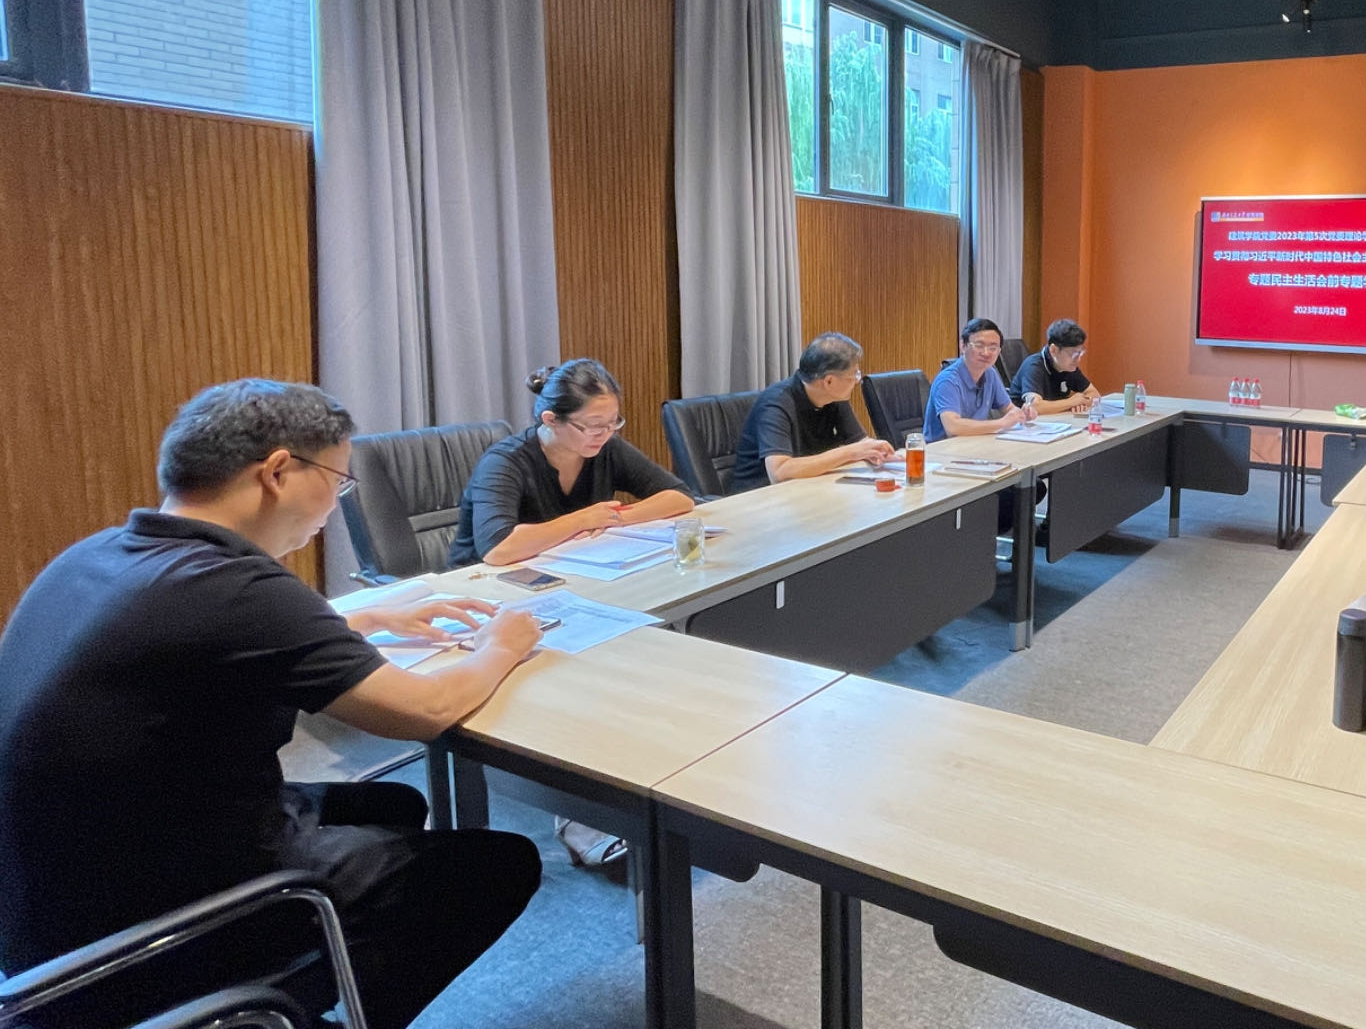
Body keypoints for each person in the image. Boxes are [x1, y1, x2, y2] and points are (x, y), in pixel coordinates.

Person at [0, 379, 543, 1029]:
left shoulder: (98, 556)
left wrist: (366, 620)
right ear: (279, 472)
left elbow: (208, 642)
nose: (335, 505)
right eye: (338, 482)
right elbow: (424, 711)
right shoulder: (239, 588)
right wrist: (503, 644)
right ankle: (278, 1014)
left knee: (393, 805)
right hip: (142, 929)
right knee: (495, 867)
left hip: (45, 906)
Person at [449, 359, 695, 568]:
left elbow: (679, 496)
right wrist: (582, 520)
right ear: (551, 420)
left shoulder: (607, 447)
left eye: (613, 422)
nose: (605, 433)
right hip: (482, 585)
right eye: (594, 425)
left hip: (563, 568)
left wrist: (611, 518)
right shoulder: (504, 462)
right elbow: (498, 548)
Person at [729, 332, 895, 493]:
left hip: (809, 487)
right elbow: (779, 472)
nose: (857, 381)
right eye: (854, 376)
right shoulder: (775, 404)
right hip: (759, 498)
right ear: (829, 381)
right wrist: (851, 452)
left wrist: (881, 453)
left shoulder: (834, 397)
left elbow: (859, 442)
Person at [924, 318, 1037, 443]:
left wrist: (1021, 414)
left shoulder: (990, 373)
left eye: (993, 347)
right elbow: (953, 427)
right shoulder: (947, 381)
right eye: (979, 346)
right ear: (963, 346)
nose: (986, 353)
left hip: (974, 444)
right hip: (942, 449)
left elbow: (1008, 408)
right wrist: (1002, 423)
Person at [1011, 318, 1101, 416]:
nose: (1078, 359)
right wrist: (1072, 402)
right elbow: (1035, 406)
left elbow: (1094, 394)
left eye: (1081, 353)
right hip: (1023, 422)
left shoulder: (1068, 367)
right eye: (1074, 354)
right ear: (1054, 350)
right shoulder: (1034, 366)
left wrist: (1082, 403)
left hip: (1054, 420)